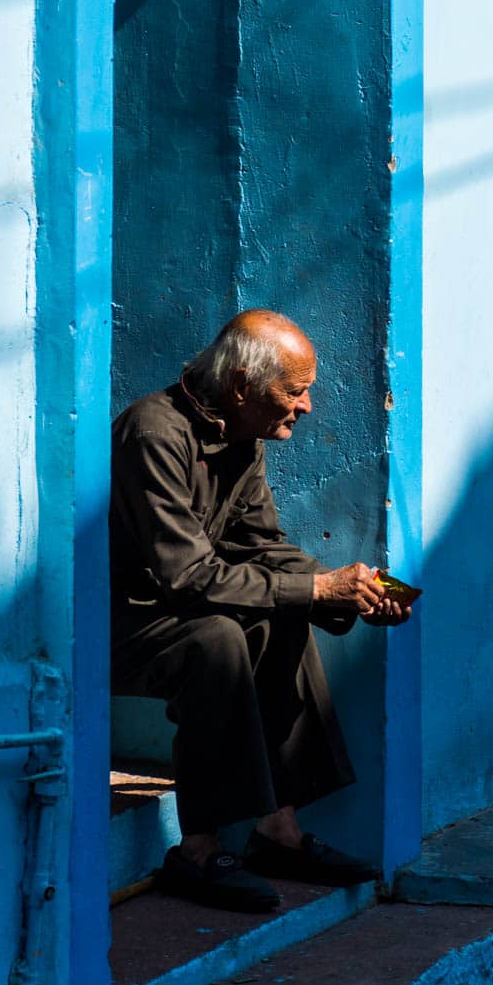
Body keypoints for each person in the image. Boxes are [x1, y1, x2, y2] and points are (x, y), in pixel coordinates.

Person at [109, 308, 413, 913]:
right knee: (219, 637)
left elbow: (262, 548)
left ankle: (279, 832)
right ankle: (196, 852)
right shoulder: (155, 433)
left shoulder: (239, 438)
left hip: (181, 609)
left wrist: (346, 590)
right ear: (244, 384)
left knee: (284, 613)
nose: (304, 407)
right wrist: (317, 590)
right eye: (295, 392)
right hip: (122, 626)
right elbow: (187, 575)